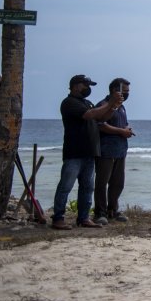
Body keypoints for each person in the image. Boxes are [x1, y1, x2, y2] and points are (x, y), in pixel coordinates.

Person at [52, 75, 123, 230]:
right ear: (76, 86)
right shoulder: (69, 103)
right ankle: (58, 218)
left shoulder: (87, 103)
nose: (88, 88)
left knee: (87, 187)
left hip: (89, 152)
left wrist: (113, 107)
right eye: (86, 85)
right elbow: (88, 115)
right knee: (66, 186)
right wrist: (110, 102)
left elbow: (101, 117)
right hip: (75, 152)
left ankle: (83, 218)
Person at [93, 78, 135, 225]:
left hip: (120, 150)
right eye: (125, 91)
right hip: (106, 150)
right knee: (102, 182)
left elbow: (122, 124)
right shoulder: (103, 105)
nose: (127, 94)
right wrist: (120, 131)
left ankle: (113, 210)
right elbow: (101, 125)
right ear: (114, 91)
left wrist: (127, 129)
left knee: (118, 183)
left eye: (128, 92)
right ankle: (100, 213)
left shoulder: (122, 107)